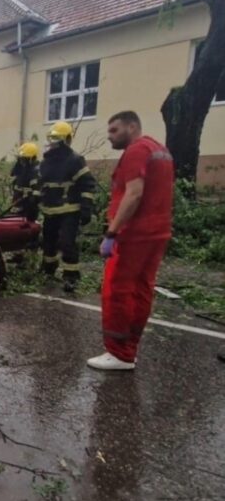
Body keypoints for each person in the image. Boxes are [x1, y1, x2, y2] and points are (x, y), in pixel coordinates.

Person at [87, 110, 174, 371]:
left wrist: (112, 233)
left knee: (117, 290)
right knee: (141, 289)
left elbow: (134, 194)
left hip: (133, 235)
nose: (110, 137)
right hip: (157, 232)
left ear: (132, 126)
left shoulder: (136, 151)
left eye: (114, 130)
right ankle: (130, 347)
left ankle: (119, 353)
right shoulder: (160, 150)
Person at [38, 120, 95, 293]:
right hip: (49, 210)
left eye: (55, 140)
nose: (52, 144)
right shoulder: (46, 162)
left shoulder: (75, 160)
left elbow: (87, 184)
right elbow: (41, 183)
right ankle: (48, 270)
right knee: (48, 242)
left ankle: (71, 277)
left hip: (70, 210)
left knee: (67, 243)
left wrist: (86, 209)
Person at [11, 142, 40, 221]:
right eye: (20, 159)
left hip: (28, 213)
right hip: (17, 210)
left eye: (24, 159)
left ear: (31, 158)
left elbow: (36, 196)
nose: (21, 161)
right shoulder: (22, 171)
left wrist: (29, 208)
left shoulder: (35, 172)